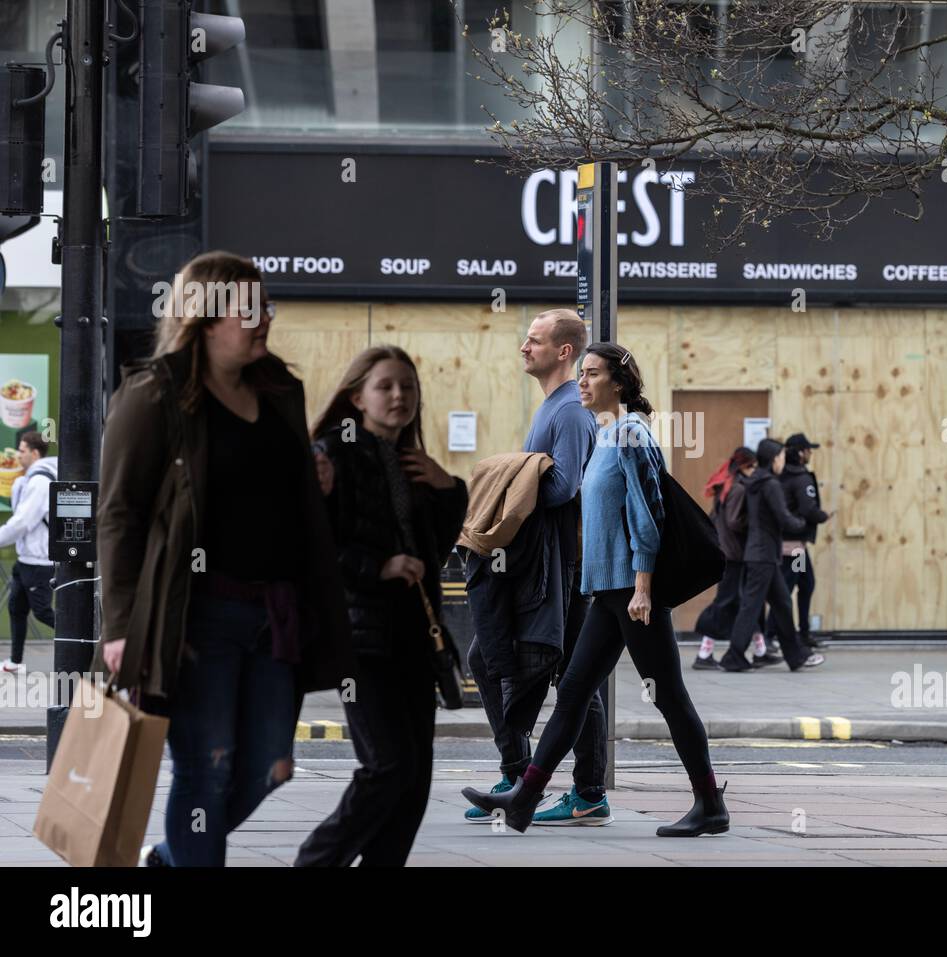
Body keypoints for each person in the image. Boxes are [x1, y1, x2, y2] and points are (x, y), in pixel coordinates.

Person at [96, 251, 354, 866]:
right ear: (206, 316)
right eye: (250, 308)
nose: (265, 317)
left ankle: (171, 857)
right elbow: (119, 514)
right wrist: (119, 626)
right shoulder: (156, 392)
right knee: (205, 771)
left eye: (266, 304)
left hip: (276, 615)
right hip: (195, 617)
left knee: (270, 766)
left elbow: (290, 496)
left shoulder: (279, 390)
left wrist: (319, 478)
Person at [462, 343, 728, 837]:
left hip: (632, 593)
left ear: (619, 384)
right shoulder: (606, 436)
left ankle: (710, 803)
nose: (582, 382)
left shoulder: (630, 435)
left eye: (593, 374)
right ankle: (525, 796)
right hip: (606, 593)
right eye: (581, 373)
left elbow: (649, 516)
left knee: (668, 697)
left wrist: (644, 587)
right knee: (574, 693)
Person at [295, 346, 468, 866]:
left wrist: (448, 488)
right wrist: (380, 566)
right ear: (357, 396)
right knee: (387, 765)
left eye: (408, 387)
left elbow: (434, 551)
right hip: (360, 639)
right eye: (386, 386)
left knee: (415, 778)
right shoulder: (332, 453)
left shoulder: (411, 460)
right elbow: (313, 544)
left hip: (414, 636)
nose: (399, 396)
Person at [462, 308, 609, 826]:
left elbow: (565, 485)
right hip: (549, 567)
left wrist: (511, 482)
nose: (524, 347)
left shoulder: (569, 411)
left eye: (534, 340)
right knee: (565, 679)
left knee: (556, 676)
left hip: (560, 573)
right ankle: (544, 780)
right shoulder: (553, 406)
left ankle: (551, 783)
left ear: (563, 351)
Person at [721, 438, 825, 673]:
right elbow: (784, 517)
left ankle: (794, 655)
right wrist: (803, 523)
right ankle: (734, 655)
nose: (782, 461)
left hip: (761, 554)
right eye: (780, 458)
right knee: (752, 606)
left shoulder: (754, 482)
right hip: (767, 555)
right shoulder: (770, 485)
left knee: (783, 603)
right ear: (773, 459)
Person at [764, 433, 832, 655]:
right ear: (801, 452)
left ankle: (802, 632)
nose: (810, 453)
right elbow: (807, 509)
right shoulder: (801, 478)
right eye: (808, 450)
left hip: (789, 545)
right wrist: (823, 516)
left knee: (805, 583)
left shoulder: (781, 474)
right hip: (794, 547)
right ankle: (771, 635)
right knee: (787, 590)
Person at [693, 447, 757, 670]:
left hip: (726, 551)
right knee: (727, 601)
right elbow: (733, 521)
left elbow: (714, 518)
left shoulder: (724, 485)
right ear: (745, 466)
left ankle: (761, 648)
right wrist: (753, 525)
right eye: (753, 467)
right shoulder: (738, 489)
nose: (754, 472)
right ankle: (704, 652)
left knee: (740, 601)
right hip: (734, 554)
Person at [0, 432, 57, 674]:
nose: (18, 454)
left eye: (22, 450)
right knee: (16, 607)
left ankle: (89, 638)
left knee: (43, 612)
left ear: (34, 453)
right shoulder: (29, 479)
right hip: (25, 560)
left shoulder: (39, 483)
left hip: (38, 561)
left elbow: (22, 522)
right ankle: (15, 662)